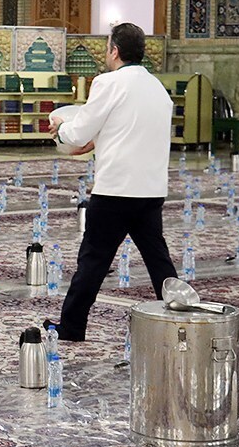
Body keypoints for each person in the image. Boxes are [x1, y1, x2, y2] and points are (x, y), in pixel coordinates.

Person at [44, 23, 178, 341]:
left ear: (114, 51)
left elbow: (79, 131)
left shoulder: (108, 83)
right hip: (150, 190)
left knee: (93, 260)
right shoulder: (158, 89)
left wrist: (60, 128)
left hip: (115, 191)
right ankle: (180, 320)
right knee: (159, 261)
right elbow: (127, 130)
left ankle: (72, 326)